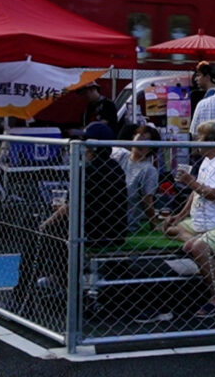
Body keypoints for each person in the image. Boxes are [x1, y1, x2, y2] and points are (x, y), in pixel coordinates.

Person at [14, 122, 126, 306]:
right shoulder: (114, 167)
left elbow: (71, 207)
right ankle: (69, 289)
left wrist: (45, 225)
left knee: (40, 237)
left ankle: (24, 294)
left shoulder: (89, 170)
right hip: (111, 231)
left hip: (93, 233)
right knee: (55, 242)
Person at [160, 121, 215, 319]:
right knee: (168, 228)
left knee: (200, 247)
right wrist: (180, 216)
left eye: (199, 138)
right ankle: (190, 241)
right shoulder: (208, 160)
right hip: (203, 222)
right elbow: (196, 192)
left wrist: (190, 182)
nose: (195, 142)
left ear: (211, 141)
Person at [111, 124, 161, 233]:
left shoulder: (148, 170)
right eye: (141, 136)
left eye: (147, 140)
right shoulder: (120, 155)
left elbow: (147, 201)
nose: (142, 141)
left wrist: (153, 225)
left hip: (125, 224)